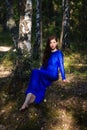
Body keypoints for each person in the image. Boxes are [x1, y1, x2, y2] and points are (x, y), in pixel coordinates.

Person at [19, 35, 67, 111]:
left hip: (53, 74)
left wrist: (64, 78)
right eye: (50, 43)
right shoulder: (47, 53)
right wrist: (40, 70)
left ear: (57, 43)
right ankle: (26, 102)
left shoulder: (59, 53)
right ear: (48, 44)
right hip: (46, 72)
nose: (52, 44)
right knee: (35, 72)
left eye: (54, 42)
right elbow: (44, 66)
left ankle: (29, 100)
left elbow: (61, 65)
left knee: (35, 72)